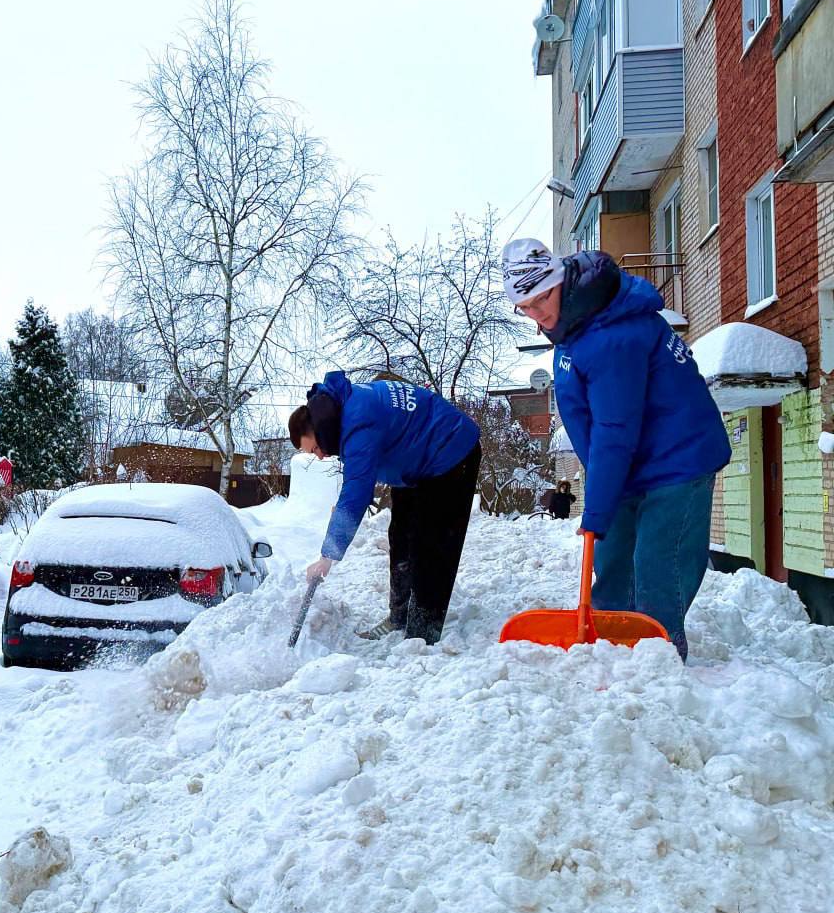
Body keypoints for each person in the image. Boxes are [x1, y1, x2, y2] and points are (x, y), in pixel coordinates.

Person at [503, 237, 730, 660]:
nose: (536, 316)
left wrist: (595, 510)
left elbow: (613, 428)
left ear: (560, 281)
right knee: (613, 557)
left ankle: (661, 659)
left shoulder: (611, 336)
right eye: (525, 307)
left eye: (540, 300)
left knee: (659, 566)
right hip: (631, 462)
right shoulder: (575, 320)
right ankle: (607, 649)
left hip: (678, 458)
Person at [290, 370, 481, 642]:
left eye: (315, 448)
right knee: (401, 536)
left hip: (450, 452)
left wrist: (327, 556)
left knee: (432, 544)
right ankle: (399, 617)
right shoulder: (342, 410)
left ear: (319, 430)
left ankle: (422, 634)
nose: (320, 456)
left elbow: (355, 493)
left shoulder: (356, 423)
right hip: (415, 462)